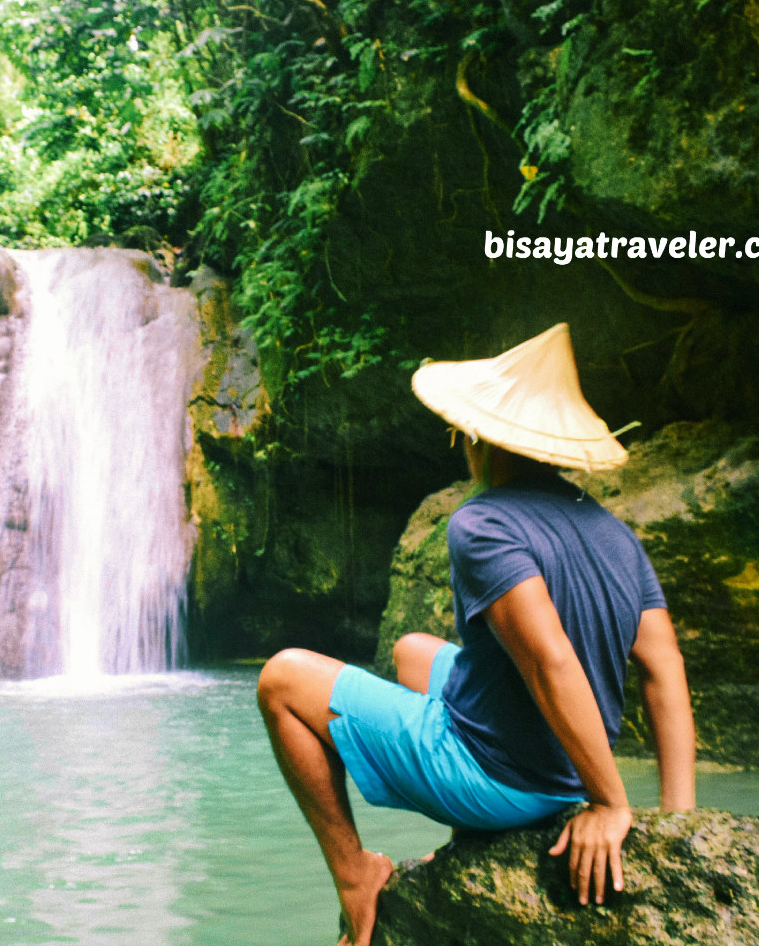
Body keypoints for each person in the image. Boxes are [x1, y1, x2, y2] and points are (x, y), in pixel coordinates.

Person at [257, 323, 696, 946]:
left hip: (506, 780)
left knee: (282, 678)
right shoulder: (614, 533)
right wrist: (680, 824)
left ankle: (356, 875)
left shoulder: (481, 523)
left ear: (477, 439)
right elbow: (664, 669)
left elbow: (550, 660)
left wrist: (611, 805)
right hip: (565, 771)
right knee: (413, 651)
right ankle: (480, 828)